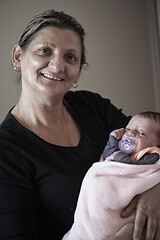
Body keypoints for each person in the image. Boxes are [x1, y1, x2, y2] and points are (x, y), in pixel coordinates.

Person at [0, 9, 160, 240]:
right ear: (18, 57)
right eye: (45, 51)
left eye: (70, 57)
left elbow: (154, 144)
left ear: (77, 73)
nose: (57, 66)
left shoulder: (93, 107)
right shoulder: (7, 151)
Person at [62, 112, 160, 240]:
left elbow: (129, 164)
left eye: (142, 133)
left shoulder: (151, 156)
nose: (131, 134)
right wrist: (113, 139)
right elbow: (108, 154)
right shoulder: (121, 151)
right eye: (128, 129)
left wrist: (117, 156)